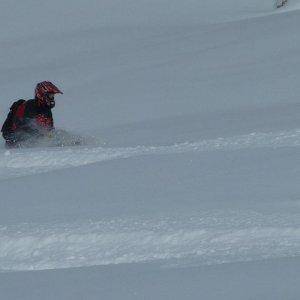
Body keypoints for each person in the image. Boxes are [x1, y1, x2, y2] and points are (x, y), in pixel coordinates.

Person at [1, 81, 63, 147]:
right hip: (16, 142)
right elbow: (26, 127)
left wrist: (55, 137)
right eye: (50, 96)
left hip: (31, 140)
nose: (52, 98)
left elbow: (49, 129)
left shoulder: (46, 109)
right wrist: (44, 136)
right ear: (41, 95)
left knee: (58, 135)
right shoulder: (30, 106)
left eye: (52, 96)